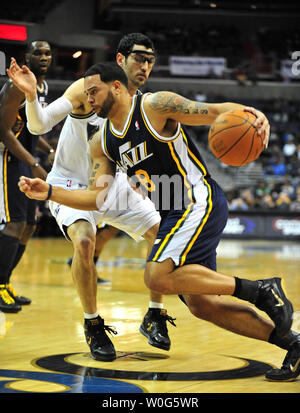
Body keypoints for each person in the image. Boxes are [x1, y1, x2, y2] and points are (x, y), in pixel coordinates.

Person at [18, 61, 299, 382]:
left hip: (196, 199)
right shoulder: (103, 142)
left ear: (117, 87)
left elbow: (214, 111)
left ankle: (261, 290)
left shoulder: (154, 105)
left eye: (94, 91)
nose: (89, 99)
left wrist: (253, 115)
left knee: (156, 276)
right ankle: (293, 344)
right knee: (202, 305)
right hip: (174, 214)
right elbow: (96, 199)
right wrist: (49, 192)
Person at [8, 34, 176, 361]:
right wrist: (30, 97)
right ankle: (93, 323)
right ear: (120, 60)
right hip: (70, 181)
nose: (145, 66)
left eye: (151, 60)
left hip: (111, 185)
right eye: (139, 58)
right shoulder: (87, 87)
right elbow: (40, 124)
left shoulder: (142, 103)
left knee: (162, 235)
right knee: (84, 242)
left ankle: (155, 313)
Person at [0, 40, 54, 313]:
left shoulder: (42, 88)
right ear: (27, 56)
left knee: (29, 225)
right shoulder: (15, 86)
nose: (43, 57)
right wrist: (33, 162)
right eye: (38, 53)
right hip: (9, 159)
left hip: (27, 158)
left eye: (47, 53)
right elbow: (4, 131)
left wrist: (50, 149)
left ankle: (5, 282)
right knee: (14, 223)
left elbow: (35, 129)